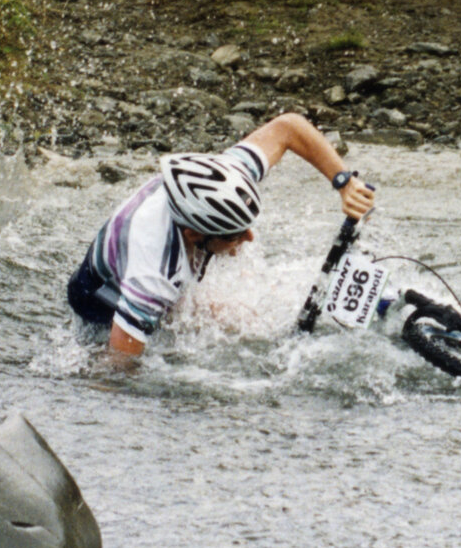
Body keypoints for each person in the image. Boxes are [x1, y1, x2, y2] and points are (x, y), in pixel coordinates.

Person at [67, 114, 377, 362]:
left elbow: (288, 127)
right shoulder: (154, 273)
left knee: (245, 319)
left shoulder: (225, 177)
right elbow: (118, 369)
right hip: (99, 302)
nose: (249, 238)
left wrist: (344, 181)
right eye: (235, 234)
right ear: (193, 234)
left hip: (155, 254)